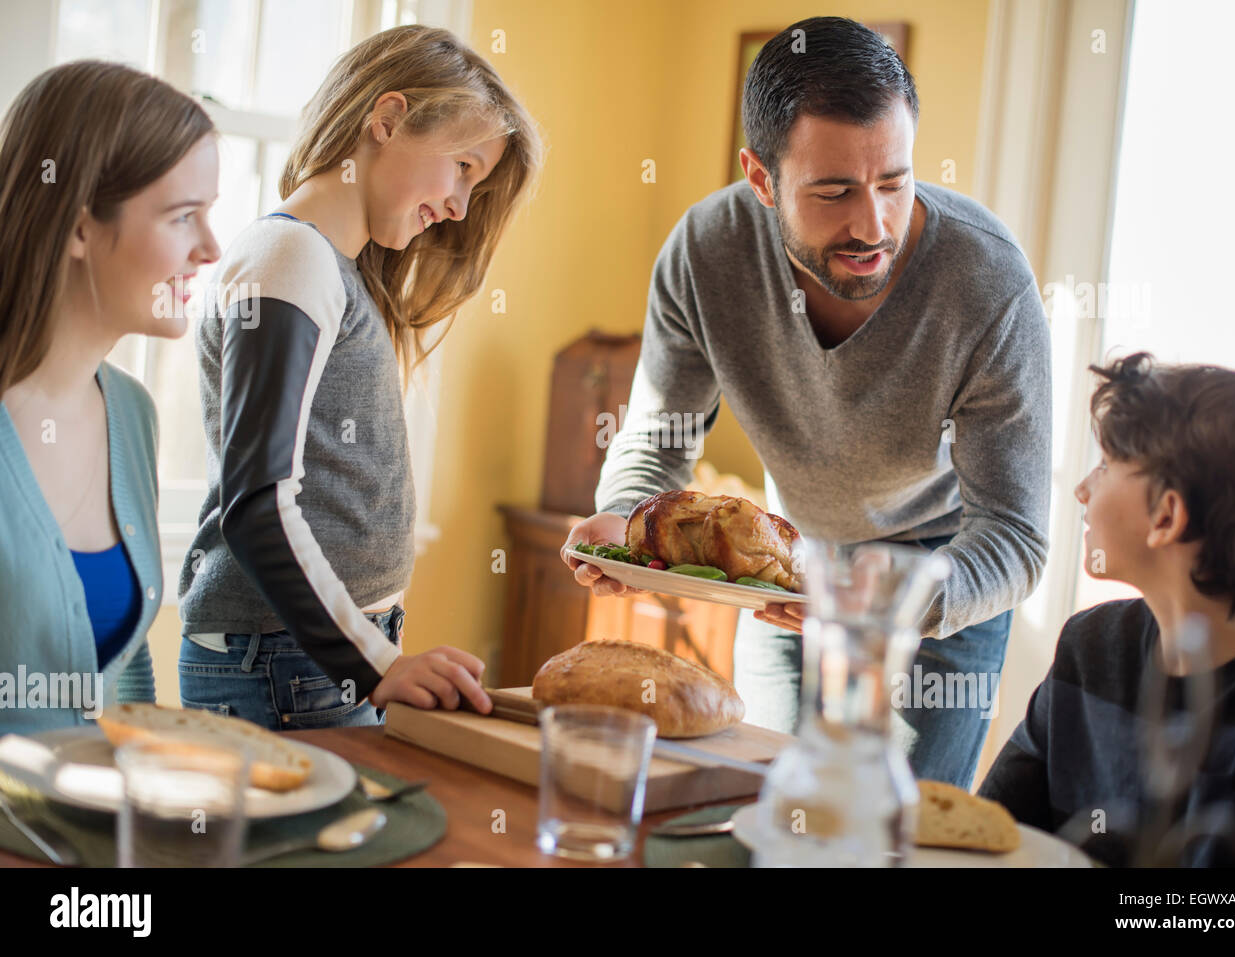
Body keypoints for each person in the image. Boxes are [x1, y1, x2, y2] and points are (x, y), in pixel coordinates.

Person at [561, 16, 1050, 789]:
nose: (873, 225)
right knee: (771, 804)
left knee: (899, 829)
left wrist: (886, 602)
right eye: (833, 191)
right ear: (761, 179)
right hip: (788, 566)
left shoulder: (985, 282)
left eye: (895, 181)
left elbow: (1016, 535)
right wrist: (628, 527)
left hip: (938, 587)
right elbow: (658, 441)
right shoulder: (705, 254)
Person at [177, 26, 544, 730]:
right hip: (283, 663)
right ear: (387, 119)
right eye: (463, 167)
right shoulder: (290, 255)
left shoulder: (332, 270)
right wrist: (377, 664)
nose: (462, 207)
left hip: (306, 661)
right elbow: (257, 503)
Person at [979, 353, 1235, 866]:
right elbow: (988, 832)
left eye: (1106, 464)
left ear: (1166, 516)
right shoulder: (1089, 645)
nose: (1083, 488)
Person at [0, 61, 220, 732]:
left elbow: (124, 679)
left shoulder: (130, 412)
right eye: (184, 217)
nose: (210, 249)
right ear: (78, 226)